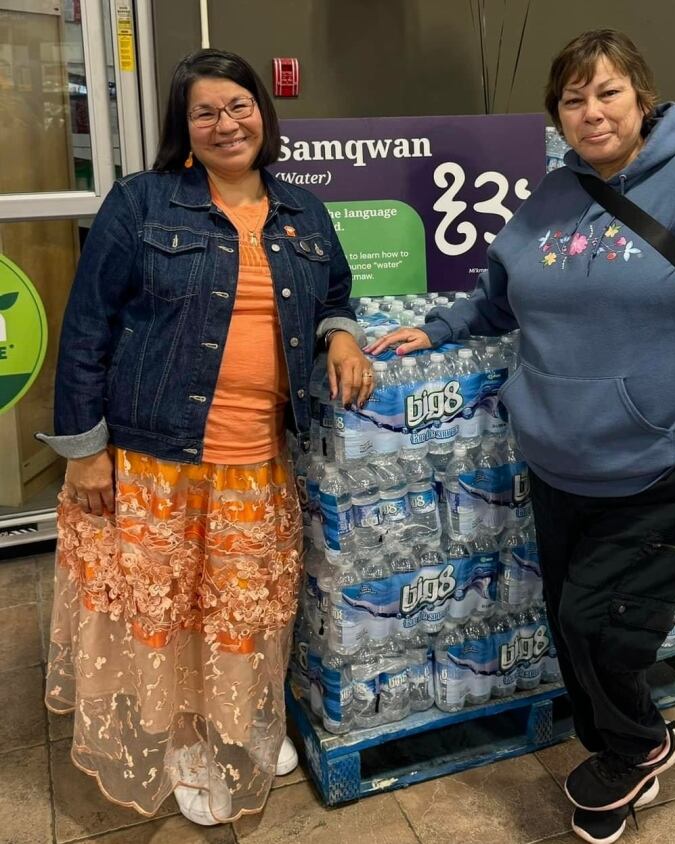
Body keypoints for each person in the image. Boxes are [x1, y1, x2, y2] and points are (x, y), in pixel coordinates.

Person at [367, 29, 675, 844]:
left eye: (608, 93)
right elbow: (501, 294)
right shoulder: (552, 196)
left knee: (601, 623)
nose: (591, 112)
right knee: (570, 621)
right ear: (557, 113)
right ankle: (622, 739)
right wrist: (442, 328)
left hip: (663, 462)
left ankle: (637, 746)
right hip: (557, 460)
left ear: (643, 98)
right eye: (573, 98)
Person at [37, 49, 373, 826]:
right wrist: (84, 452)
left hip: (255, 462)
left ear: (264, 112)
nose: (227, 123)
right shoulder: (143, 204)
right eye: (206, 111)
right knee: (170, 610)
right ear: (183, 128)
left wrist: (343, 335)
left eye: (239, 105)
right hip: (156, 458)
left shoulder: (301, 211)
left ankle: (236, 722)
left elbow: (336, 293)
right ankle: (180, 741)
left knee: (238, 608)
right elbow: (86, 328)